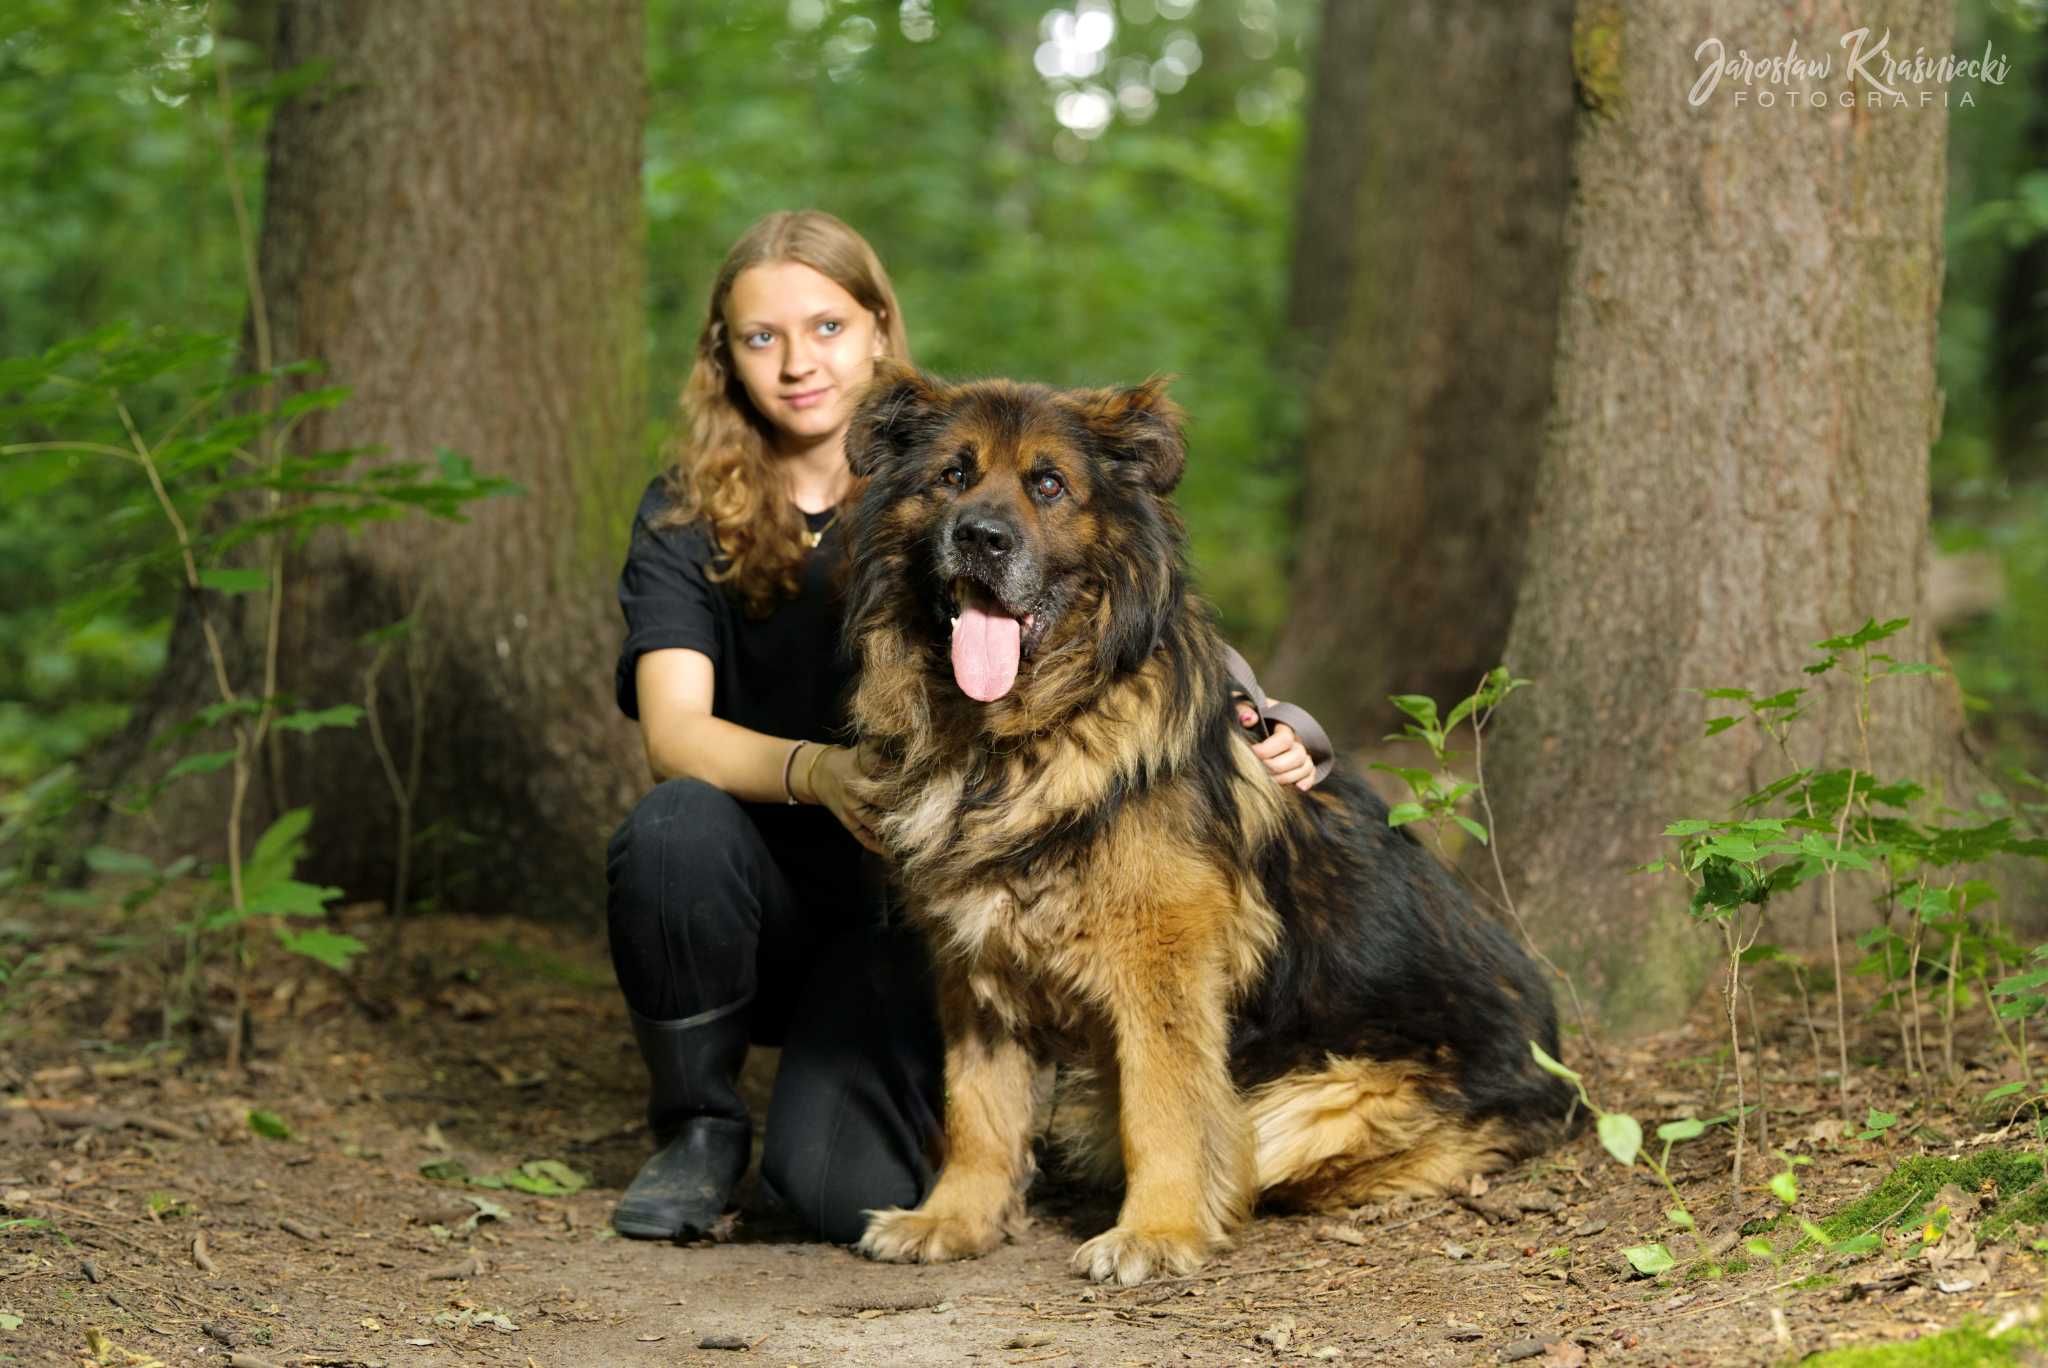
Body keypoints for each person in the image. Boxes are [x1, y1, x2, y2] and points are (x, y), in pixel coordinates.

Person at [606, 209, 1329, 1245]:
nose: (798, 361)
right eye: (762, 336)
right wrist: (824, 772)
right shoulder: (695, 512)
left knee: (821, 1195)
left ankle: (1058, 1172)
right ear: (722, 354)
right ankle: (696, 1130)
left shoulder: (934, 441)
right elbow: (673, 730)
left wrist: (1267, 717)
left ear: (877, 327)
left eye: (825, 327)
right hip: (775, 885)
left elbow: (1138, 617)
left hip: (893, 925)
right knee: (671, 827)